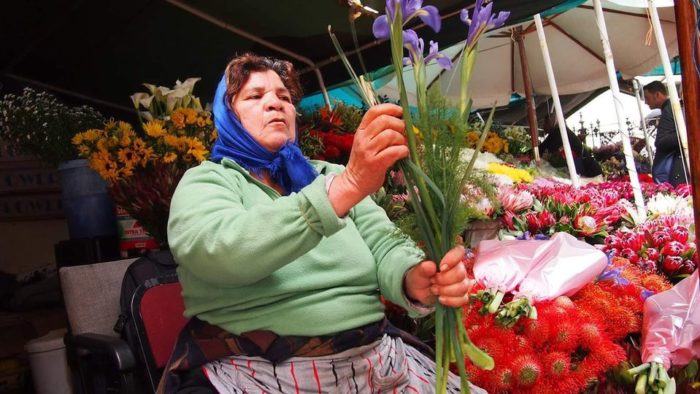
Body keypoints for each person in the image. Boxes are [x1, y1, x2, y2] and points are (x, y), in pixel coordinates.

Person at [163, 53, 483, 393]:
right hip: (263, 371)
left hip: (376, 360)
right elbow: (219, 251)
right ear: (227, 116)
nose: (275, 104)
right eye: (255, 96)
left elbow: (385, 242)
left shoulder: (328, 175)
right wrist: (343, 190)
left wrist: (415, 277)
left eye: (284, 98)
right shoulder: (208, 181)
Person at [643, 80, 688, 185]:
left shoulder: (669, 109)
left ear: (657, 95)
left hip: (676, 169)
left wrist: (686, 134)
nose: (645, 102)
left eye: (647, 97)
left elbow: (661, 141)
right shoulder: (672, 108)